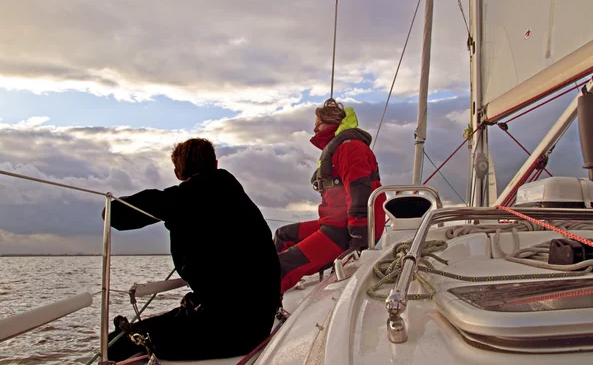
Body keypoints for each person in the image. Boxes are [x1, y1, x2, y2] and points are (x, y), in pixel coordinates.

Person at [102, 138, 281, 361]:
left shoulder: (181, 198)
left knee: (115, 343)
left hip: (229, 331)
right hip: (259, 320)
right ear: (215, 164)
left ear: (178, 172)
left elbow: (113, 214)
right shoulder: (236, 196)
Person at [275, 98, 386, 294]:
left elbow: (359, 189)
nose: (315, 130)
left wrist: (359, 236)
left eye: (319, 124)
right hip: (334, 223)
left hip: (347, 230)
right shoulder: (340, 147)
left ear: (332, 122)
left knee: (280, 266)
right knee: (283, 235)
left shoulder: (350, 147)